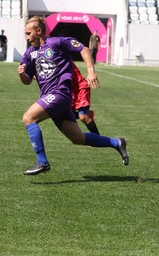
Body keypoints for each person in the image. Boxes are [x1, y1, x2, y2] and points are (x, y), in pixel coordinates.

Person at [18, 16, 129, 175]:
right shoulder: (29, 53)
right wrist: (22, 75)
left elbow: (83, 48)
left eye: (29, 33)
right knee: (77, 138)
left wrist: (91, 71)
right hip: (50, 97)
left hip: (59, 93)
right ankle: (117, 143)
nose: (27, 37)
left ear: (39, 31)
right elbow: (27, 81)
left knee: (28, 118)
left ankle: (42, 162)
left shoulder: (56, 42)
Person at [71, 62, 100, 135]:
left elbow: (85, 50)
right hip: (68, 90)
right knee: (63, 115)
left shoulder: (60, 54)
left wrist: (91, 71)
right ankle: (89, 114)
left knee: (83, 117)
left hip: (80, 87)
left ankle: (97, 139)